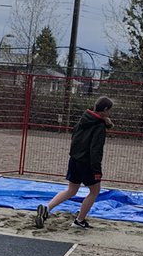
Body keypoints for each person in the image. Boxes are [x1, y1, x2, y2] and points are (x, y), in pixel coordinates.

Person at [34, 96, 114, 230]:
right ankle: (79, 221)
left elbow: (74, 138)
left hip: (74, 160)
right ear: (105, 109)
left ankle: (47, 208)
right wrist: (97, 170)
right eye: (110, 111)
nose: (110, 113)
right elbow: (96, 150)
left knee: (71, 190)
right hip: (87, 163)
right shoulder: (99, 127)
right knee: (94, 192)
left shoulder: (83, 120)